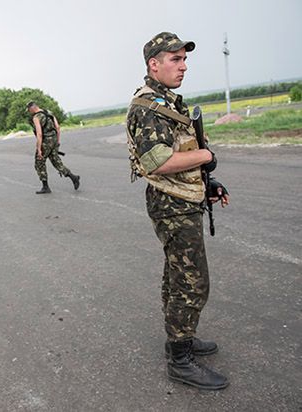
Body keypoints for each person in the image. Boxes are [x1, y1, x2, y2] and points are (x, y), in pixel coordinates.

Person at [125, 32, 230, 390]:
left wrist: (209, 183)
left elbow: (178, 148)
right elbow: (158, 161)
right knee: (192, 281)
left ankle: (181, 338)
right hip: (172, 205)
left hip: (182, 198)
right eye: (175, 59)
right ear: (154, 65)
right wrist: (206, 156)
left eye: (184, 59)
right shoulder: (148, 107)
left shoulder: (166, 100)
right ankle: (180, 360)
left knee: (177, 277)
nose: (183, 66)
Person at [27, 101, 80, 194]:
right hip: (54, 139)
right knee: (56, 162)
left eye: (28, 110)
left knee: (39, 162)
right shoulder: (49, 112)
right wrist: (57, 141)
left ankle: (45, 187)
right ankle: (73, 177)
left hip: (45, 142)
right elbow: (58, 128)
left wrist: (39, 149)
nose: (29, 112)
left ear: (32, 108)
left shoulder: (36, 117)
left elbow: (39, 134)